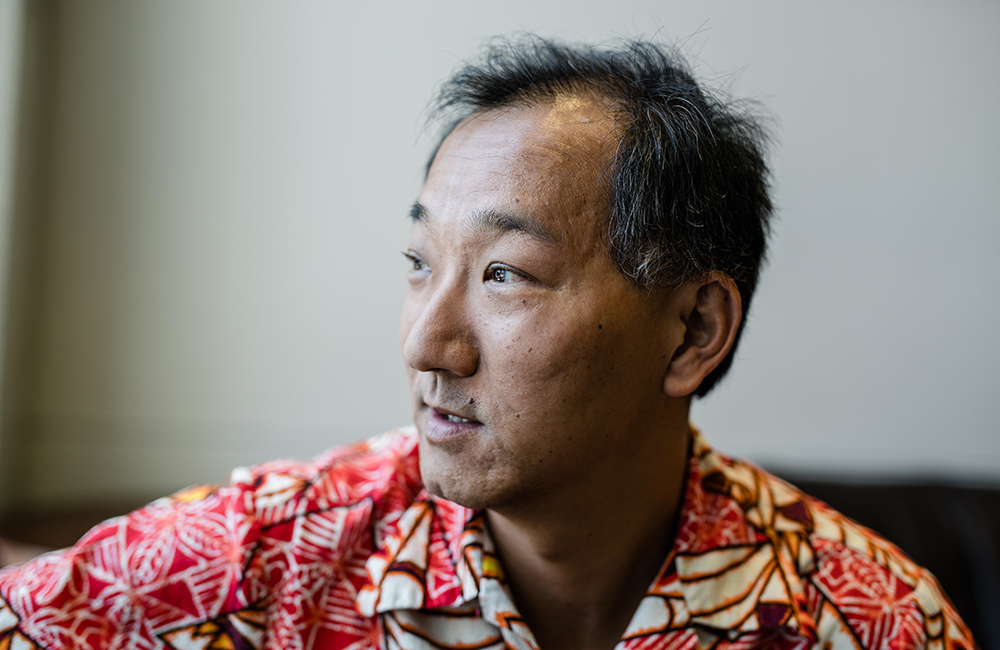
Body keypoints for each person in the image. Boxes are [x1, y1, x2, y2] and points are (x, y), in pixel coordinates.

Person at [0, 35, 976, 650]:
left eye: (505, 273)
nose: (430, 342)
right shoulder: (268, 558)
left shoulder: (862, 616)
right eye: (420, 262)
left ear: (692, 330)